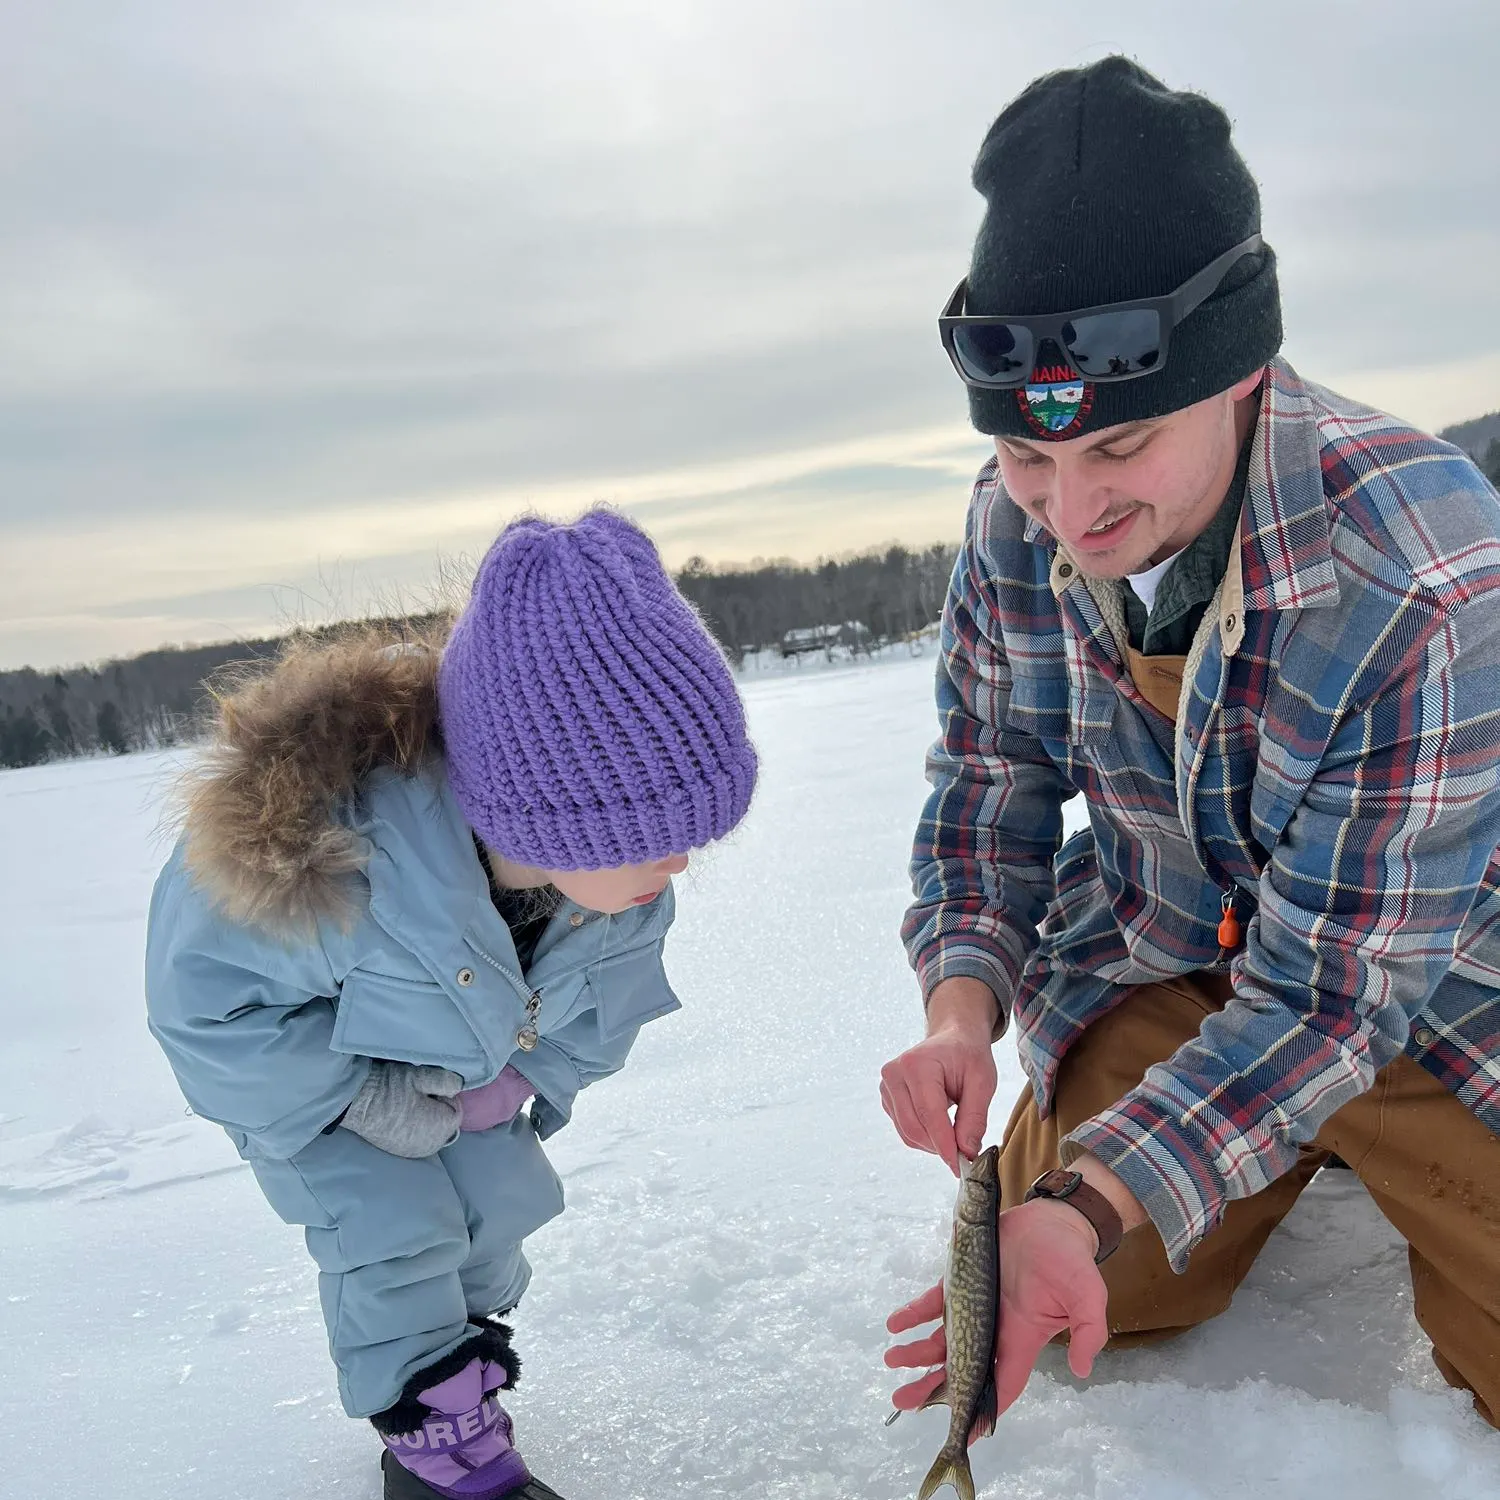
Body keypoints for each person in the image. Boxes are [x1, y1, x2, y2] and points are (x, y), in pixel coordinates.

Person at [879, 56, 1500, 1432]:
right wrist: (961, 1001)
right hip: (1178, 958)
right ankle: (1275, 1149)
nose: (1070, 511)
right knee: (1097, 1295)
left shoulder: (1429, 580)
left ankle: (1356, 1148)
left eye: (1123, 448)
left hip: (1427, 994)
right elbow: (994, 780)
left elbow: (1335, 998)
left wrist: (1102, 1189)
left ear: (1242, 373)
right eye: (1033, 460)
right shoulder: (1012, 523)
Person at [145, 510, 758, 1499]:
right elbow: (203, 1009)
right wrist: (350, 1101)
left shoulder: (620, 892)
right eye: (654, 836)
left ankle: (462, 1379)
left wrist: (518, 1082)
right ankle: (444, 1460)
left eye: (693, 834)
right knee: (394, 1242)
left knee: (493, 1219)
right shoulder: (344, 866)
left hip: (469, 1077)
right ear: (547, 818)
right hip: (322, 1102)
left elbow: (605, 1010)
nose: (680, 861)